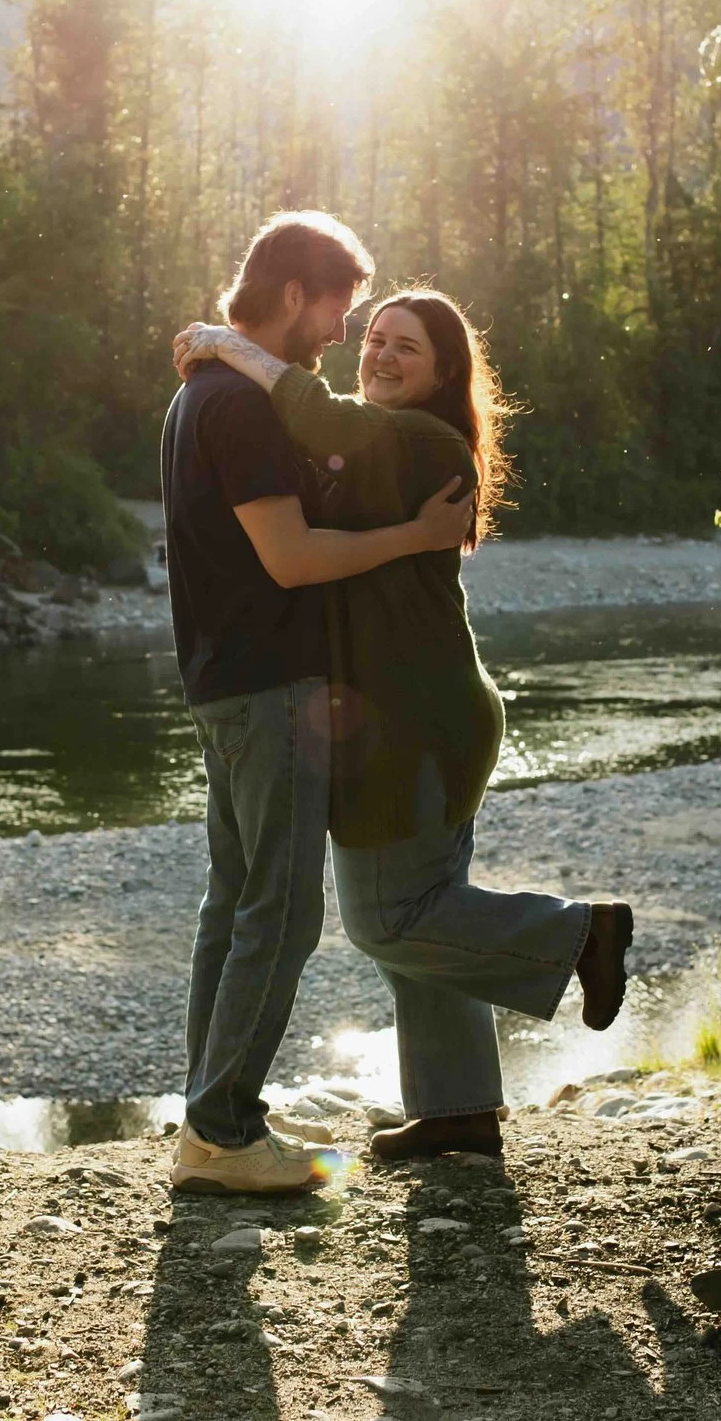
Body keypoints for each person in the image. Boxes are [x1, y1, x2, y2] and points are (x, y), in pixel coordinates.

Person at [174, 289, 632, 1161]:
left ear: (444, 373)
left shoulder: (424, 442)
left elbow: (314, 411)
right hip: (412, 719)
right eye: (375, 339)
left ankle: (582, 933)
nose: (379, 354)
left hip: (418, 724)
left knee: (390, 918)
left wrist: (229, 346)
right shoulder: (374, 449)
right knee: (425, 911)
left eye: (404, 348)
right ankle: (459, 1109)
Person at [161, 212, 475, 1195]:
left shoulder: (200, 391)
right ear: (296, 293)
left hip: (223, 682)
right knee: (283, 910)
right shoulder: (237, 405)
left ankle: (216, 1114)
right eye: (341, 307)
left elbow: (330, 419)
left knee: (234, 901)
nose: (344, 333)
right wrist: (414, 539)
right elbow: (292, 557)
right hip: (264, 687)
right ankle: (220, 1130)